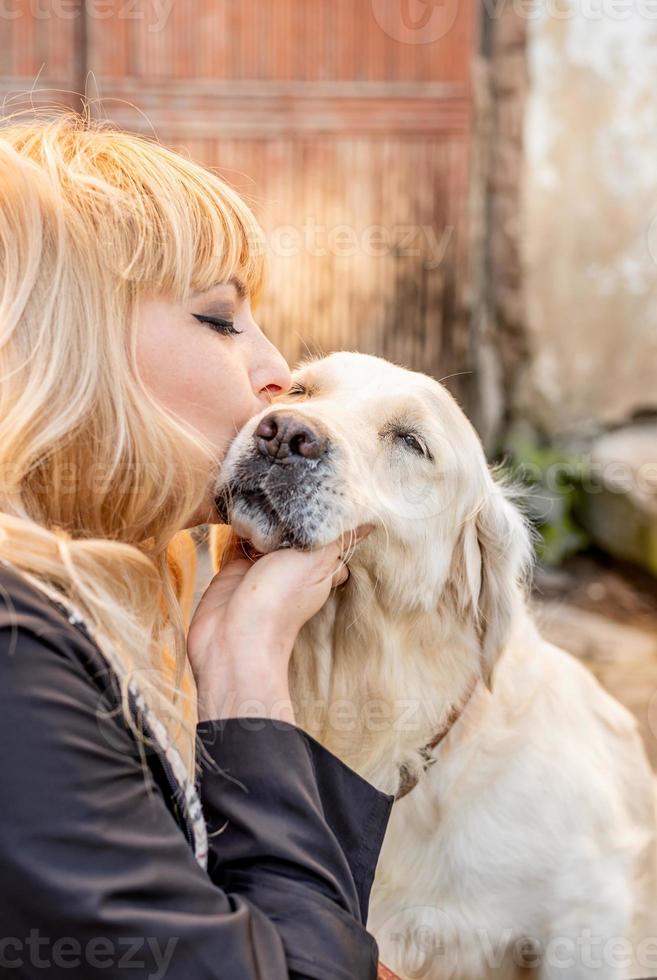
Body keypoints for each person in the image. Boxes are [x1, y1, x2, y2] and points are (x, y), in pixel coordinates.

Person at [0, 110, 393, 980]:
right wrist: (249, 678)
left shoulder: (68, 613)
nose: (277, 370)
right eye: (220, 320)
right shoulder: (15, 658)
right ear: (55, 342)